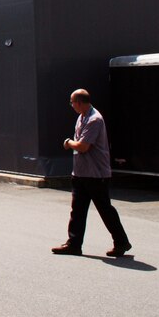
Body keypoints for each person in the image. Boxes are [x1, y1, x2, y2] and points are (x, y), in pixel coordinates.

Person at [52, 89, 132, 257]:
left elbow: (83, 146)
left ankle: (121, 242)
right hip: (81, 173)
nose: (71, 105)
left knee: (105, 210)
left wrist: (68, 142)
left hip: (96, 175)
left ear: (79, 102)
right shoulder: (82, 117)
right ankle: (74, 244)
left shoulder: (95, 120)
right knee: (77, 210)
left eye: (72, 102)